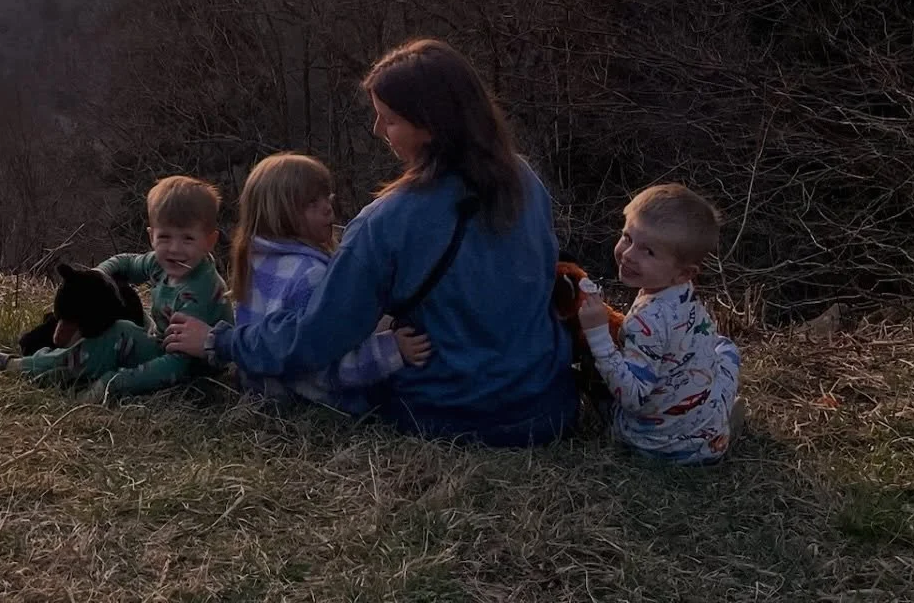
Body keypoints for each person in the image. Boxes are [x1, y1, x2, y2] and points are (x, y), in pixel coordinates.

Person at [166, 39, 579, 445]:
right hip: (548, 404)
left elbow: (317, 336)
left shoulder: (386, 221)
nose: (378, 130)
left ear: (431, 127)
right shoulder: (524, 179)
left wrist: (221, 340)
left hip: (452, 413)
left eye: (390, 119)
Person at [227, 152, 431, 412]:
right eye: (313, 203)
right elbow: (324, 365)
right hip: (314, 399)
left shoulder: (257, 260)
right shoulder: (310, 275)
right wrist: (392, 350)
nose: (328, 207)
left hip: (261, 384)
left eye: (327, 197)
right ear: (281, 212)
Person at [576, 183, 742, 464]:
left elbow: (632, 396)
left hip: (651, 445)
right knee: (725, 349)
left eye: (648, 252)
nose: (628, 254)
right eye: (627, 237)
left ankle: (703, 429)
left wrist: (598, 334)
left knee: (590, 381)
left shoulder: (647, 320)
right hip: (701, 441)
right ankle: (713, 427)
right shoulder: (682, 294)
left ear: (683, 273)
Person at [91, 174, 234, 400]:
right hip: (162, 346)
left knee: (120, 336)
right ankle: (36, 366)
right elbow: (126, 263)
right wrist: (97, 276)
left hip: (193, 371)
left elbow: (177, 366)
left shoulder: (199, 292)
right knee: (117, 329)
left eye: (188, 238)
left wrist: (115, 382)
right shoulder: (160, 263)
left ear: (209, 241)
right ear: (151, 236)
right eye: (165, 237)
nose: (174, 249)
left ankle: (89, 379)